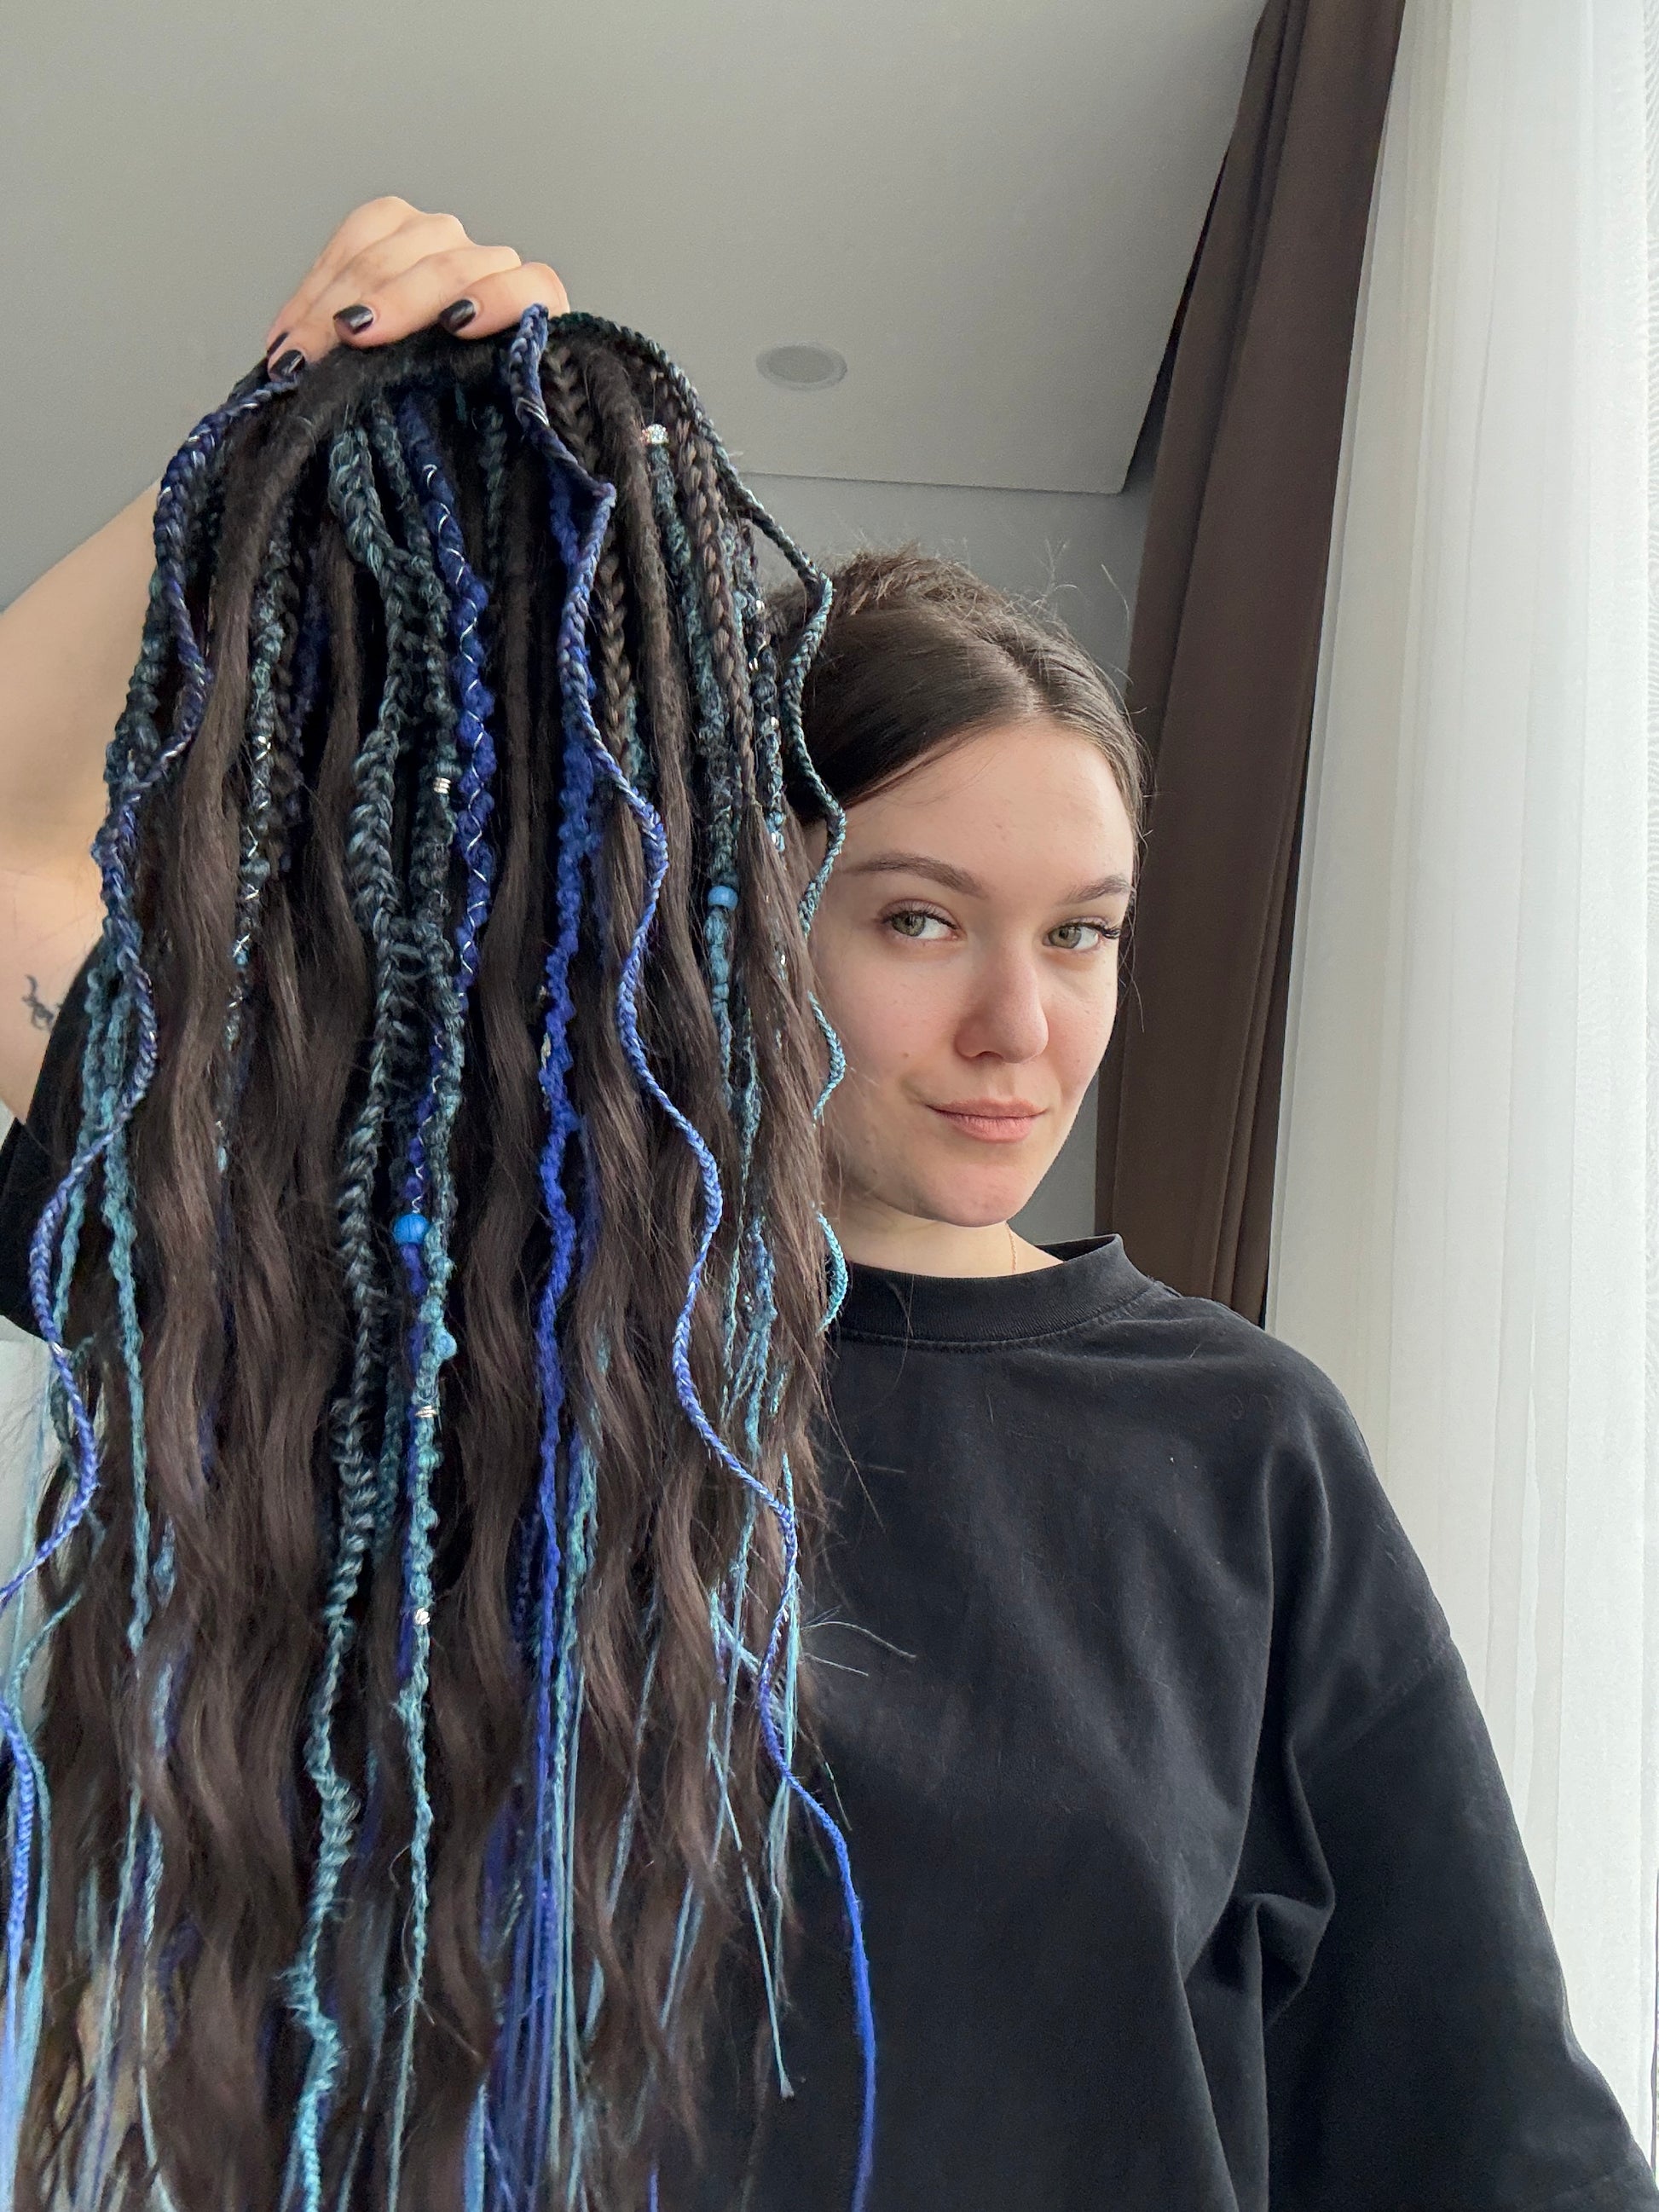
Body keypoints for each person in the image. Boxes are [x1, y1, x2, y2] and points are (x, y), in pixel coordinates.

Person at [0, 200, 1654, 2212]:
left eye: (1083, 932)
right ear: (734, 918)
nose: (1020, 1025)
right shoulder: (477, 1340)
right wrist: (300, 393)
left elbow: (1483, 2118)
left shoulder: (1238, 1448)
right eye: (918, 917)